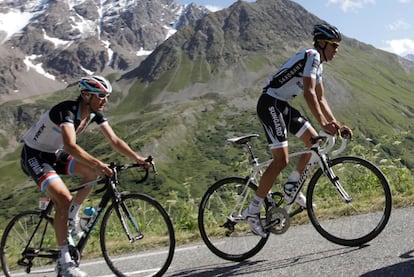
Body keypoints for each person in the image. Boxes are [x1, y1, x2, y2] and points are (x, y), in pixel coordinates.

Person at [20, 76, 151, 277]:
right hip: (35, 155)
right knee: (63, 198)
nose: (105, 100)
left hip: (54, 154)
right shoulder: (68, 111)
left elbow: (114, 140)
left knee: (91, 173)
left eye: (106, 96)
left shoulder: (94, 113)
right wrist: (99, 163)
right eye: (101, 96)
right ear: (86, 95)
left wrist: (138, 158)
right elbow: (70, 145)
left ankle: (72, 216)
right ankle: (65, 263)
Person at [242, 23, 353, 238]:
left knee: (314, 142)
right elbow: (309, 94)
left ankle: (292, 186)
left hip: (283, 105)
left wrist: (336, 125)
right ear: (322, 43)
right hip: (269, 104)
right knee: (280, 160)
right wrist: (322, 122)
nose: (337, 50)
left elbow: (321, 98)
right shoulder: (311, 55)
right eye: (334, 45)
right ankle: (253, 210)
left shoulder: (318, 65)